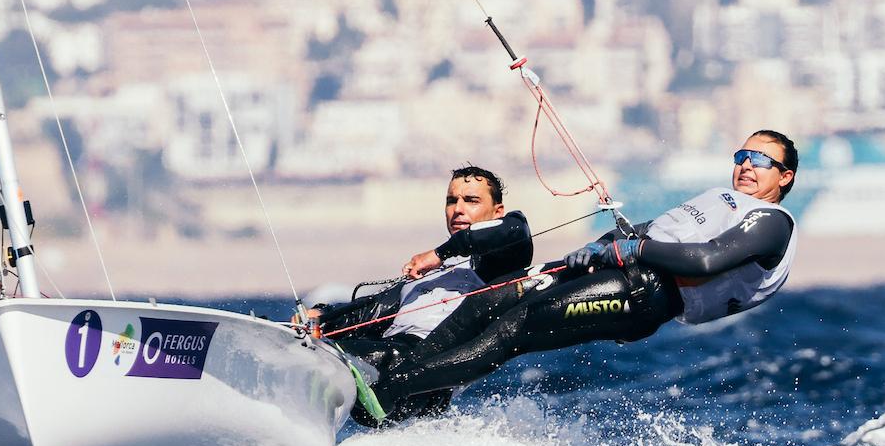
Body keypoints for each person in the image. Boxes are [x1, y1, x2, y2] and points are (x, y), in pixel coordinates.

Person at [356, 130, 799, 426]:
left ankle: (392, 389)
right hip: (618, 269)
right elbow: (647, 230)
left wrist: (634, 250)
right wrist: (597, 248)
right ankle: (419, 392)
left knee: (514, 329)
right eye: (742, 156)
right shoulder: (720, 198)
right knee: (487, 302)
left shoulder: (772, 221)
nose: (746, 165)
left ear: (785, 176)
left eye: (760, 160)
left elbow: (705, 260)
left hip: (644, 294)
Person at [313, 165, 534, 423]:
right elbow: (368, 312)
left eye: (471, 200)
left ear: (497, 211)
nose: (458, 209)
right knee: (316, 347)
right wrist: (320, 316)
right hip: (382, 366)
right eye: (452, 201)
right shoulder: (428, 275)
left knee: (360, 356)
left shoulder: (497, 263)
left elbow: (514, 229)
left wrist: (439, 254)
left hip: (425, 377)